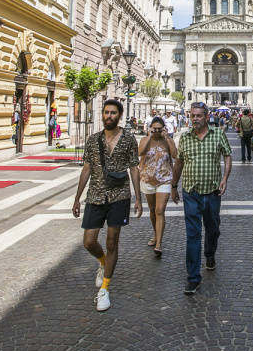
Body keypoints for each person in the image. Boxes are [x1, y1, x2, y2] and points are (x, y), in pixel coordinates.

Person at [72, 98, 142, 312]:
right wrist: (77, 197)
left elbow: (134, 168)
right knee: (88, 242)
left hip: (119, 195)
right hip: (95, 195)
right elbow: (86, 168)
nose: (108, 116)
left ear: (119, 115)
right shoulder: (93, 140)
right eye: (106, 112)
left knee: (112, 242)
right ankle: (102, 262)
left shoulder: (129, 139)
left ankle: (105, 289)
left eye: (113, 113)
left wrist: (138, 197)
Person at [171, 101, 232, 296]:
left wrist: (225, 178)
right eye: (192, 115)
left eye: (198, 115)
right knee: (193, 234)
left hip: (213, 192)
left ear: (206, 117)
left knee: (213, 229)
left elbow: (228, 155)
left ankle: (210, 253)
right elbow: (179, 162)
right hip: (191, 192)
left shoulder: (218, 134)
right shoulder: (185, 138)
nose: (195, 119)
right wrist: (173, 185)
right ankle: (193, 278)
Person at [139, 116, 177, 257]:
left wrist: (167, 138)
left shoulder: (167, 141)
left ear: (163, 129)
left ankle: (159, 243)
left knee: (160, 210)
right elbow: (140, 152)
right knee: (152, 209)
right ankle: (155, 234)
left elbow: (175, 155)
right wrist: (149, 136)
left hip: (164, 180)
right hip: (147, 179)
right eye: (154, 129)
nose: (156, 131)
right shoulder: (145, 140)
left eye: (159, 129)